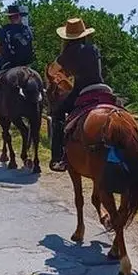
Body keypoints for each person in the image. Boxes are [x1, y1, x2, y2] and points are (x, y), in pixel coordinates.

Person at [49, 17, 105, 172]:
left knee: (58, 115)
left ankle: (58, 157)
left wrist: (62, 72)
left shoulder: (67, 53)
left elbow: (53, 71)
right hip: (102, 88)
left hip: (81, 91)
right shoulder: (93, 48)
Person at [0, 5, 35, 115]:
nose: (13, 19)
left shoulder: (2, 29)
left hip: (7, 61)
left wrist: (3, 56)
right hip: (26, 63)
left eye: (14, 17)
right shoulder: (27, 30)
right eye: (12, 17)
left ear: (18, 16)